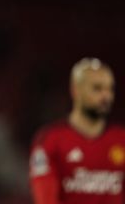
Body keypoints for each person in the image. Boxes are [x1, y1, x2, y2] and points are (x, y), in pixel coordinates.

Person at [29, 57, 125, 204]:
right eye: (97, 88)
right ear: (75, 90)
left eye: (110, 89)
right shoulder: (50, 140)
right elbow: (45, 198)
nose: (106, 96)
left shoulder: (121, 139)